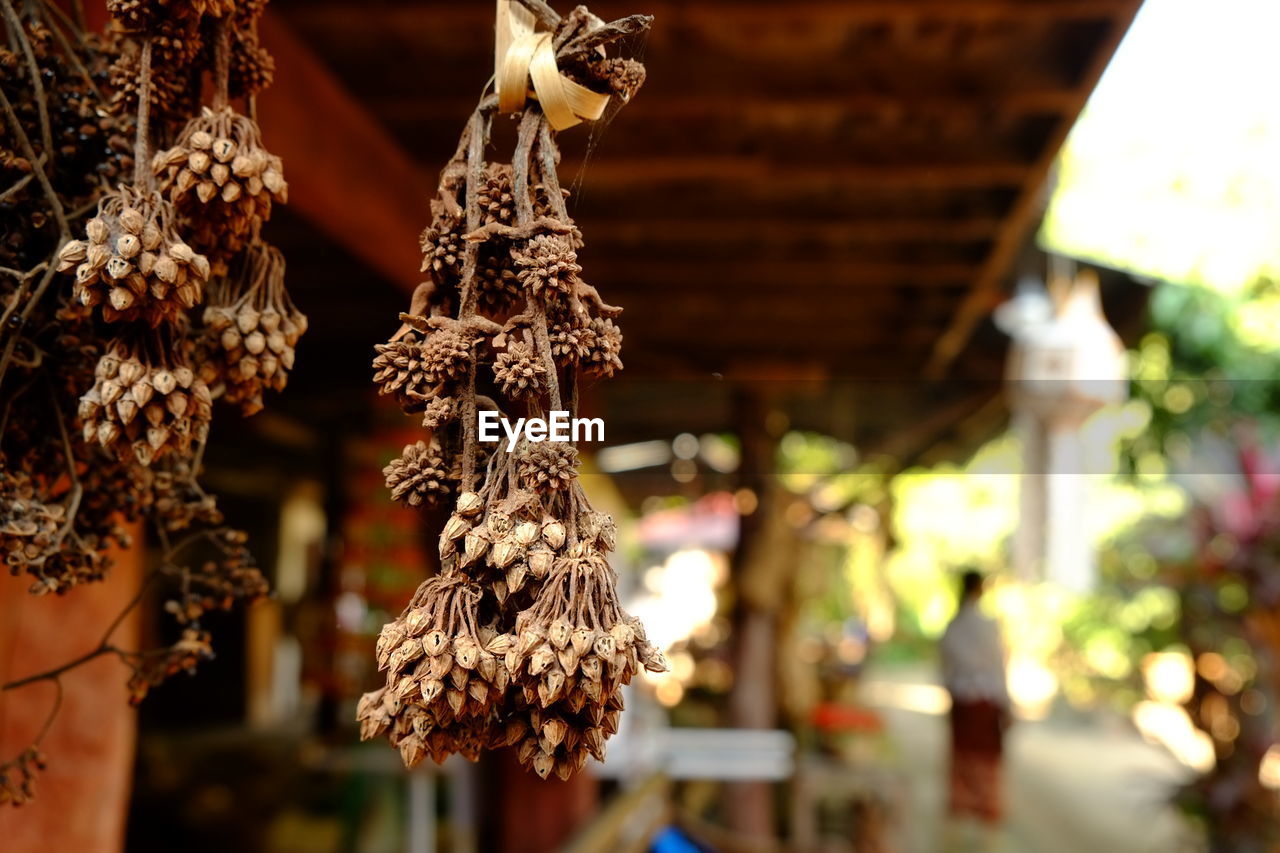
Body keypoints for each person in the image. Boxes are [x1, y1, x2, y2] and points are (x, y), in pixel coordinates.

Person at [939, 569, 1010, 848]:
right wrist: (1006, 703)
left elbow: (945, 670)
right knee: (985, 764)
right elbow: (998, 667)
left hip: (965, 703)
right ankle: (985, 833)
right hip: (984, 702)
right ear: (979, 589)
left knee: (963, 762)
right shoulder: (984, 625)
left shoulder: (955, 626)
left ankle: (960, 830)